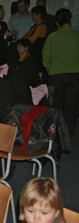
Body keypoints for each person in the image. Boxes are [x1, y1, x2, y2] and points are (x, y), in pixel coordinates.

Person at [42, 8, 79, 136]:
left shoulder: (52, 37)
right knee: (71, 108)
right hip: (75, 76)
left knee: (53, 108)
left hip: (55, 75)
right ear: (71, 20)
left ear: (56, 23)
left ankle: (52, 135)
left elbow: (45, 58)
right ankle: (68, 136)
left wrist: (50, 69)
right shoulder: (77, 36)